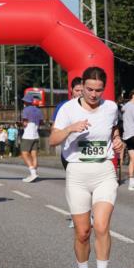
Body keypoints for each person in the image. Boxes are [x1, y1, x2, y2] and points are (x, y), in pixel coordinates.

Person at [48, 66, 125, 268]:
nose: (93, 94)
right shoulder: (68, 109)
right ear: (82, 86)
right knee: (83, 232)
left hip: (104, 171)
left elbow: (113, 131)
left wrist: (119, 141)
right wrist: (71, 128)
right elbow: (53, 139)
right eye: (89, 89)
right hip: (77, 173)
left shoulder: (111, 108)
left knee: (101, 226)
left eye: (98, 90)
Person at [54, 77, 83, 228]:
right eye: (77, 90)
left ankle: (87, 213)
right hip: (69, 152)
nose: (80, 93)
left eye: (81, 90)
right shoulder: (63, 107)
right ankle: (75, 215)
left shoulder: (90, 106)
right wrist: (70, 128)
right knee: (74, 186)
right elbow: (55, 131)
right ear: (71, 91)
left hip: (87, 152)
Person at [19, 94, 42, 182]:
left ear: (26, 101)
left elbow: (25, 123)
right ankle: (34, 174)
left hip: (28, 135)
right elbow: (41, 122)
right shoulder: (38, 110)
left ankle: (33, 173)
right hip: (36, 135)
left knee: (24, 154)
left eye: (24, 101)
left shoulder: (26, 110)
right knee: (34, 156)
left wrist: (20, 123)